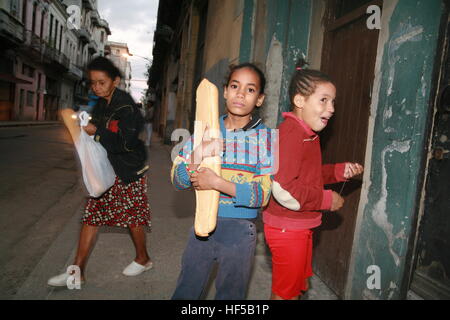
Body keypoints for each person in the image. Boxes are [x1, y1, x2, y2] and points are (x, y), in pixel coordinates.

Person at [262, 59, 364, 300]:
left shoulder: (307, 134)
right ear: (300, 101)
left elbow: (309, 175)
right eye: (323, 100)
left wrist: (339, 171)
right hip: (287, 228)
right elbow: (283, 186)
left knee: (296, 287)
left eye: (333, 101)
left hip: (299, 225)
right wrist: (326, 199)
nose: (331, 108)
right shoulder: (292, 133)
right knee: (284, 294)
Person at [170, 63, 274, 299]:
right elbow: (178, 180)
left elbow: (262, 195)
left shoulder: (266, 139)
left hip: (240, 232)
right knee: (186, 289)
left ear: (259, 99)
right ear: (225, 91)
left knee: (230, 294)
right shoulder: (205, 130)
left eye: (250, 90)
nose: (240, 94)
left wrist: (217, 183)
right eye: (235, 86)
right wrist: (199, 153)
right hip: (201, 227)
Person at [48, 57, 152, 287]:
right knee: (92, 216)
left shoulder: (126, 106)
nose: (96, 87)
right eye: (93, 83)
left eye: (101, 82)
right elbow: (97, 133)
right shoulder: (102, 103)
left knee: (132, 218)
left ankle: (143, 258)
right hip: (107, 168)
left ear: (115, 80)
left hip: (128, 170)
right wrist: (84, 129)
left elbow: (125, 143)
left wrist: (96, 131)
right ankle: (78, 272)